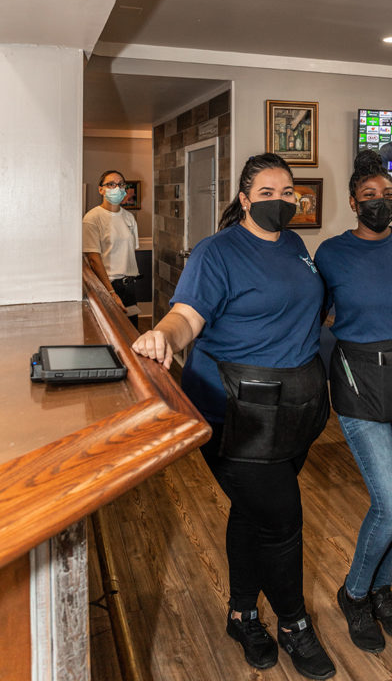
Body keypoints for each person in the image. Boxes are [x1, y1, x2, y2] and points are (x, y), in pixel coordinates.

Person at [132, 153, 335, 680]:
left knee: (254, 514)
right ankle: (293, 624)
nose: (279, 200)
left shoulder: (295, 245)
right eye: (266, 192)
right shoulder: (215, 252)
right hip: (238, 410)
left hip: (296, 407)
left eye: (286, 191)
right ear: (244, 200)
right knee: (283, 519)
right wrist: (163, 337)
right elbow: (186, 316)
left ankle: (243, 613)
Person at [315, 150, 392, 654]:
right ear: (353, 203)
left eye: (387, 195)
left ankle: (381, 591)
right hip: (356, 379)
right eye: (369, 197)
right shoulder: (331, 253)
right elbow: (314, 316)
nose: (379, 203)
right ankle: (355, 592)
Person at [83, 169, 140, 328]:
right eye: (111, 184)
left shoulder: (129, 217)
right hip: (107, 286)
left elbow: (130, 252)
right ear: (101, 189)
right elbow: (94, 259)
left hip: (128, 286)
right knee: (111, 333)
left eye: (120, 184)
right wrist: (111, 293)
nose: (117, 188)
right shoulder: (92, 218)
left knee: (131, 332)